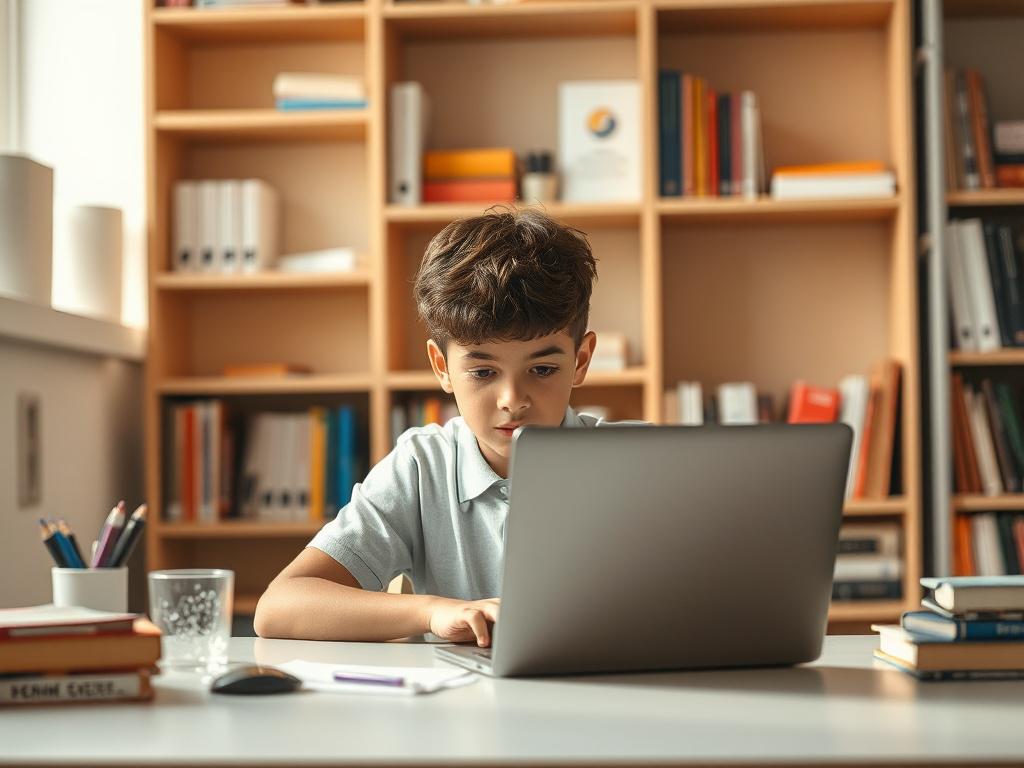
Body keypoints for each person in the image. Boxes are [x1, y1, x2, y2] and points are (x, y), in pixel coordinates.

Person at [255, 207, 627, 646]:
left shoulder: (636, 463)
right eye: (484, 372)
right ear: (441, 367)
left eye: (543, 369)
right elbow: (279, 607)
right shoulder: (421, 467)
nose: (513, 401)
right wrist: (434, 611)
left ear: (580, 361)